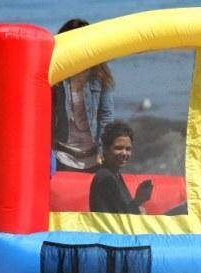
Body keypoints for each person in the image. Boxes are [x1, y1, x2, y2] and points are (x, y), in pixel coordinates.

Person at [52, 18, 114, 172]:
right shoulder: (57, 75)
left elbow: (105, 116)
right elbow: (46, 115)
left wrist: (103, 150)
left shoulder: (100, 74)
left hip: (93, 158)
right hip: (61, 156)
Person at [89, 121, 153, 214]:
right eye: (118, 148)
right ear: (105, 149)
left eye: (128, 149)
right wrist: (137, 204)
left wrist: (138, 200)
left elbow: (121, 211)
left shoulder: (114, 174)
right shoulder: (105, 179)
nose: (124, 153)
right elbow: (118, 221)